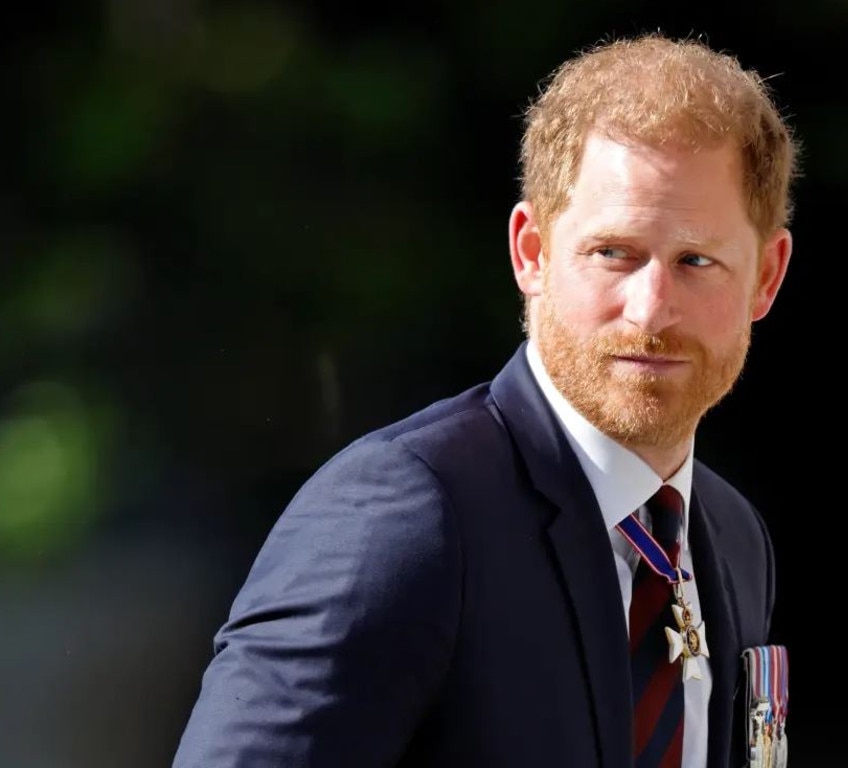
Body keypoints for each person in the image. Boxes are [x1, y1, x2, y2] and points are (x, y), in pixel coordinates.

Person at [172, 30, 798, 768]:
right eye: (612, 253)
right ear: (531, 252)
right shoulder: (406, 515)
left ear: (766, 276)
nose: (650, 310)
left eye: (696, 260)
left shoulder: (730, 537)